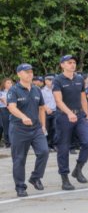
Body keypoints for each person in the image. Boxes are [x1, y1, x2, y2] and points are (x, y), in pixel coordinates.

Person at [52, 55, 88, 190]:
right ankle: (64, 178)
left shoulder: (79, 79)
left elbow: (83, 98)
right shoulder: (58, 80)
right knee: (63, 148)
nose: (72, 64)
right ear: (62, 65)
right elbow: (58, 100)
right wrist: (69, 113)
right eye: (69, 62)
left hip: (80, 115)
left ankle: (78, 169)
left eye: (74, 62)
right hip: (64, 117)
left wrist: (86, 114)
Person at [6, 64, 49, 197]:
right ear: (19, 74)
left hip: (36, 128)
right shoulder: (14, 90)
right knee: (19, 159)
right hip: (19, 129)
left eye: (31, 72)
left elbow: (42, 108)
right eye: (26, 72)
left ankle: (35, 177)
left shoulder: (37, 90)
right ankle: (20, 186)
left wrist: (43, 125)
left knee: (44, 152)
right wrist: (23, 117)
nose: (30, 74)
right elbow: (11, 107)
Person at [41, 75, 57, 152]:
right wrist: (46, 108)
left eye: (52, 80)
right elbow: (41, 103)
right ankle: (46, 145)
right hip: (46, 112)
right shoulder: (42, 91)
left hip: (55, 111)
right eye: (49, 80)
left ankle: (53, 144)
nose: (51, 82)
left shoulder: (56, 89)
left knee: (54, 128)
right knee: (46, 129)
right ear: (45, 81)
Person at [0, 78, 13, 149]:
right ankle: (7, 143)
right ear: (4, 84)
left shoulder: (13, 92)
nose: (10, 84)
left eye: (10, 83)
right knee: (6, 126)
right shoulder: (1, 92)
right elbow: (3, 100)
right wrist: (8, 105)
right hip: (4, 109)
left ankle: (12, 141)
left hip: (12, 109)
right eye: (8, 83)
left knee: (13, 125)